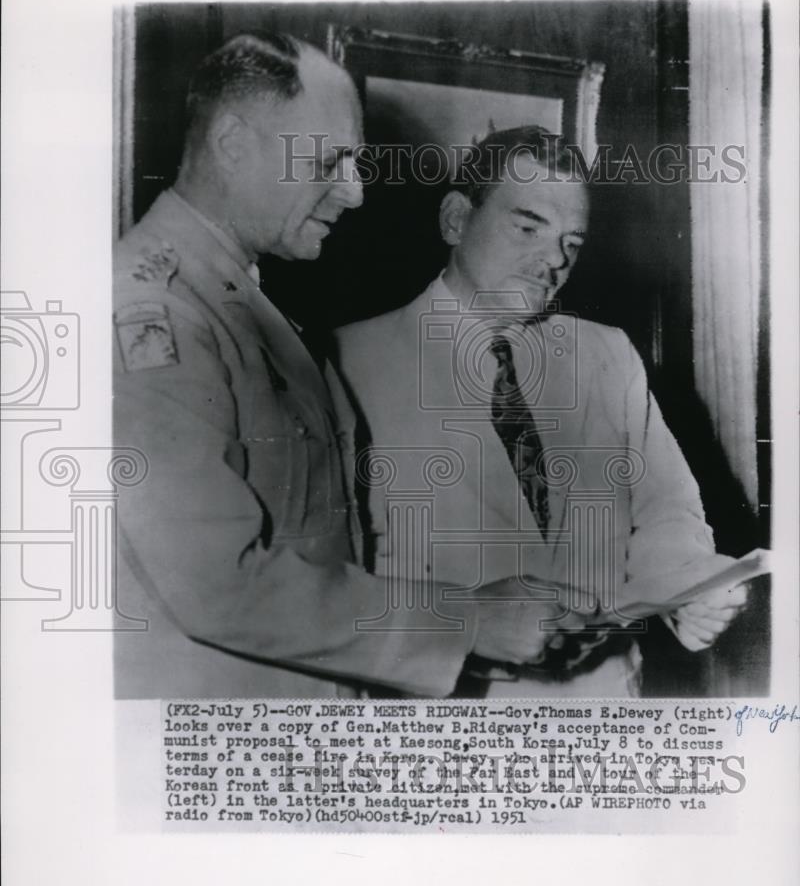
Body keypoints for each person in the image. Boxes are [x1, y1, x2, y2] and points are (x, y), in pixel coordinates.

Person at [113, 38, 579, 699]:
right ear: (233, 142)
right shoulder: (150, 312)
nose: (354, 193)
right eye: (331, 161)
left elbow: (322, 546)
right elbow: (215, 583)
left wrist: (470, 609)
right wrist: (466, 619)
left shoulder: (240, 298)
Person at [335, 125, 747, 697]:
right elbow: (331, 584)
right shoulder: (343, 361)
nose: (553, 259)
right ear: (456, 220)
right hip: (438, 720)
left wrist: (687, 588)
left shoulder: (608, 354)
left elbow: (667, 510)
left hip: (604, 711)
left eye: (572, 243)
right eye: (528, 227)